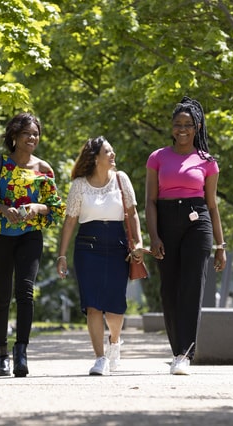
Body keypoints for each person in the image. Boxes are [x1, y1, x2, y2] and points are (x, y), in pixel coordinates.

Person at [0, 112, 65, 378]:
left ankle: (21, 353)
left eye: (35, 133)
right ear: (14, 136)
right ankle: (1, 354)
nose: (32, 138)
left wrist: (37, 207)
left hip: (29, 237)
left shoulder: (44, 169)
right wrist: (2, 208)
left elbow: (57, 210)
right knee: (2, 296)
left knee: (25, 292)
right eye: (27, 133)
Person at [145, 96, 226, 375]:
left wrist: (220, 245)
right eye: (178, 124)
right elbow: (150, 201)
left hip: (197, 222)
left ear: (197, 127)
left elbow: (212, 205)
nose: (182, 129)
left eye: (188, 125)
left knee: (192, 287)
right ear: (171, 127)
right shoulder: (157, 157)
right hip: (166, 222)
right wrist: (154, 237)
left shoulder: (207, 161)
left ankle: (184, 354)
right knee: (169, 289)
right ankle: (175, 349)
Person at [56, 136, 144, 375]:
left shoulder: (121, 179)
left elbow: (133, 214)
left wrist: (139, 242)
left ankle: (114, 343)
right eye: (108, 151)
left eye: (112, 150)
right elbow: (70, 221)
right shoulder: (79, 185)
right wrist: (62, 255)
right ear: (95, 158)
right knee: (93, 305)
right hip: (87, 248)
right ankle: (100, 358)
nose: (113, 154)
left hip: (117, 247)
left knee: (115, 308)